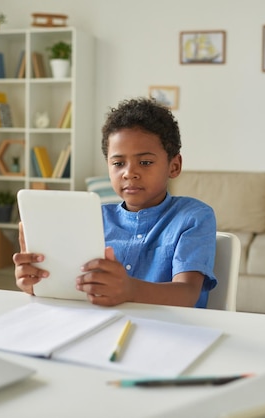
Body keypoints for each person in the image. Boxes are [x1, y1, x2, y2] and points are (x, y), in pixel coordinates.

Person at [13, 97, 217, 308]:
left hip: (172, 332)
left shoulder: (193, 216)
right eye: (118, 163)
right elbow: (74, 289)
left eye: (145, 162)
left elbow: (187, 294)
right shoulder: (92, 219)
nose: (129, 173)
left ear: (174, 166)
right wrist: (37, 284)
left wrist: (130, 290)